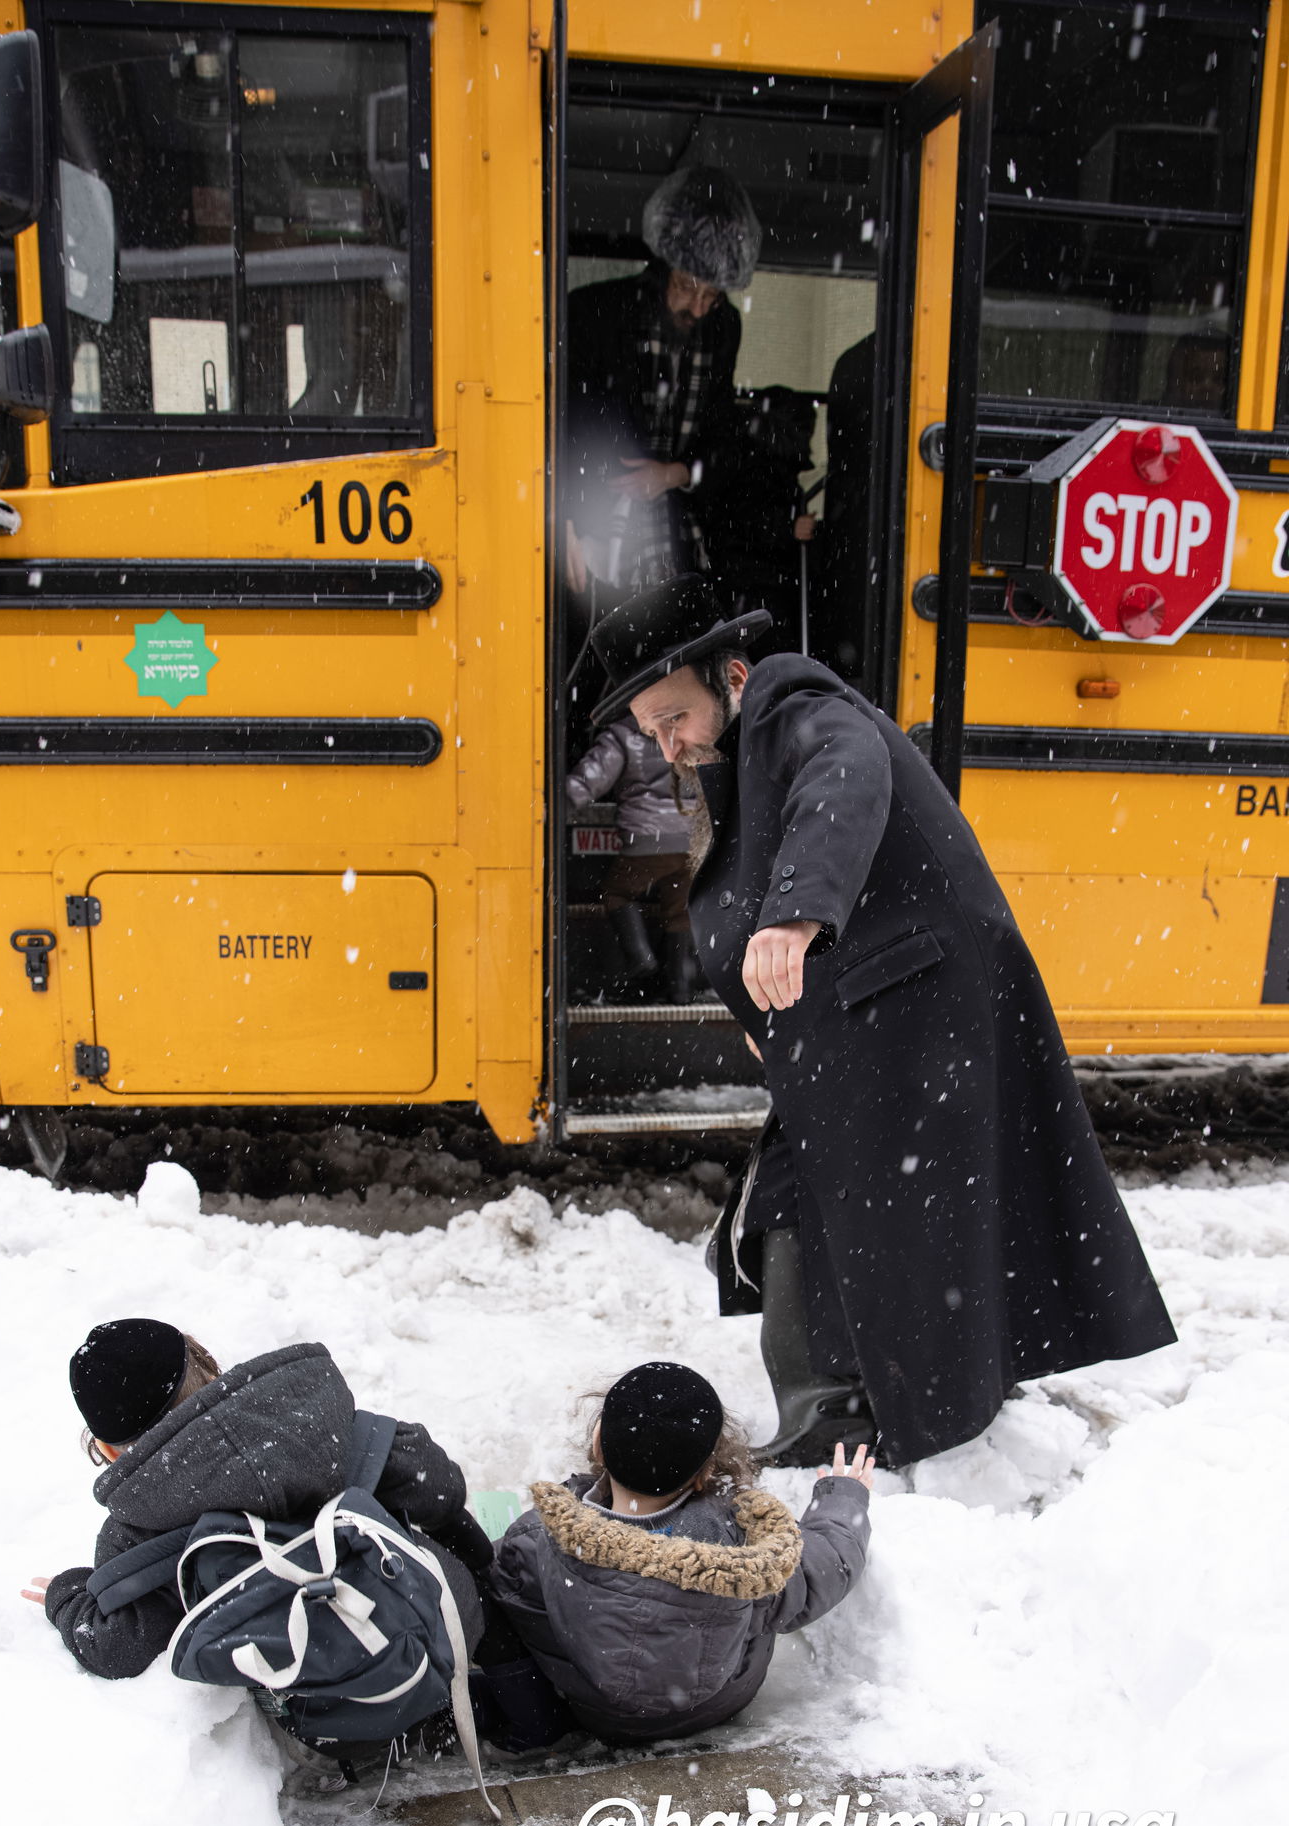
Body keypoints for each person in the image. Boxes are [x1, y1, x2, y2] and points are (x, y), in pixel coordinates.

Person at [583, 576, 1178, 1470]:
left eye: (673, 717)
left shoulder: (792, 703)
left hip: (913, 1002)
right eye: (652, 731)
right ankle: (880, 1390)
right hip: (888, 1005)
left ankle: (850, 1406)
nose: (667, 743)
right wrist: (767, 1003)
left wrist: (796, 916)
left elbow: (844, 777)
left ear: (733, 676)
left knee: (852, 1197)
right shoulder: (749, 742)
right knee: (870, 1196)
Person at [22, 1319, 555, 1759]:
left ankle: (418, 1729)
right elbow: (439, 1489)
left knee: (353, 1709)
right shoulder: (316, 1421)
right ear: (209, 1367)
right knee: (466, 1577)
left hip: (332, 1694)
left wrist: (67, 1595)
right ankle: (530, 1711)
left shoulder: (135, 1530)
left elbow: (116, 1646)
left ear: (111, 1451)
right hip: (437, 1615)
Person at [487, 1361, 872, 1744]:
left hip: (596, 1714)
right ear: (707, 1470)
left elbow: (503, 1595)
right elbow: (828, 1561)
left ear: (597, 1444)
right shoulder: (746, 1556)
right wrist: (842, 1498)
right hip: (720, 1702)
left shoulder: (538, 1537)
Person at [564, 164, 760, 613]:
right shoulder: (598, 314)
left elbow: (722, 434)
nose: (698, 307)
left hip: (679, 535)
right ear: (662, 266)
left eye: (712, 296)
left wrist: (674, 474)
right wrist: (565, 520)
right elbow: (560, 427)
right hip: (595, 522)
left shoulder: (723, 328)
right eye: (687, 286)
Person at [567, 712, 699, 1000]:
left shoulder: (622, 734)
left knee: (617, 892)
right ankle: (681, 986)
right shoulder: (691, 727)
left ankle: (640, 958)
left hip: (646, 838)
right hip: (691, 839)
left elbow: (592, 778)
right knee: (680, 910)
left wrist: (558, 802)